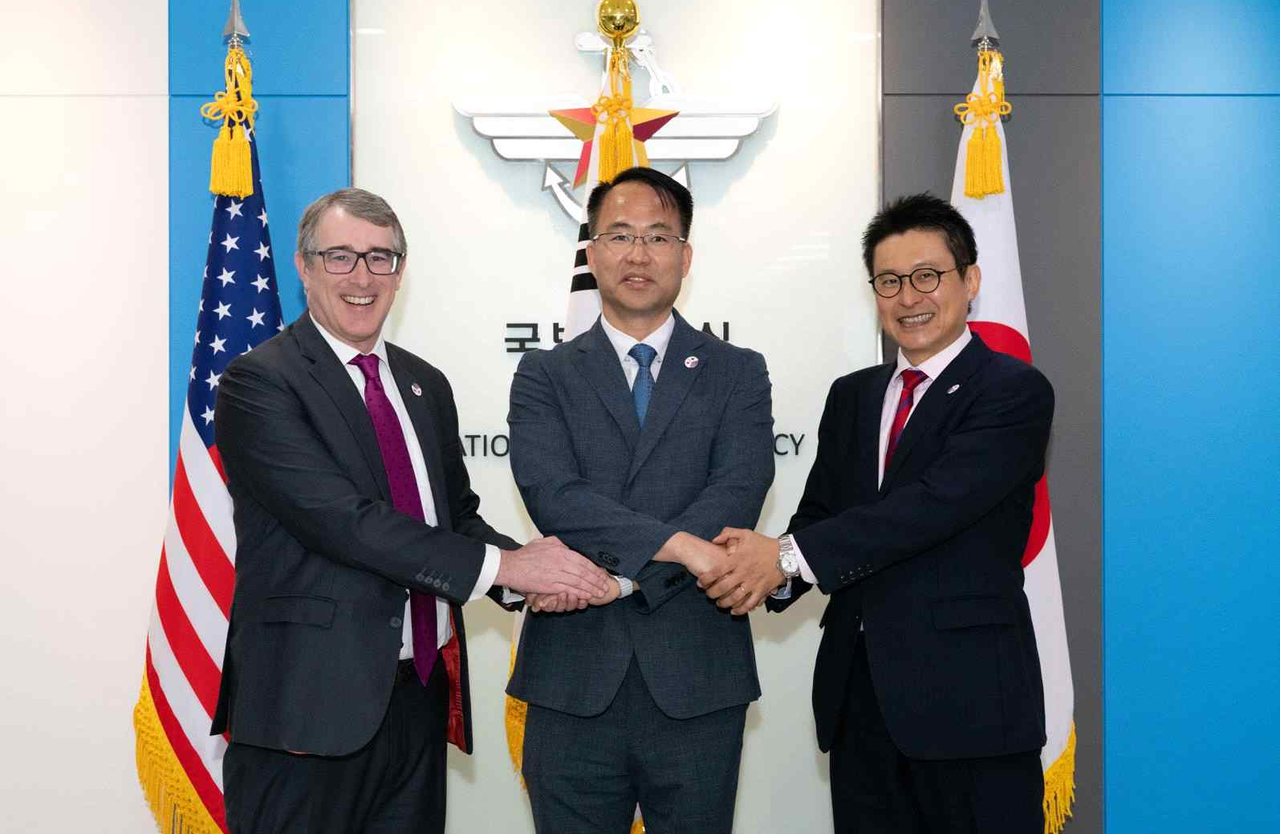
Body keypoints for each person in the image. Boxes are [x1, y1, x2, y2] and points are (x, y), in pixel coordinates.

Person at [211, 188, 610, 834]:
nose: (362, 278)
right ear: (304, 266)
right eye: (339, 257)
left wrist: (534, 582)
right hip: (307, 713)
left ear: (401, 271)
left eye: (382, 258)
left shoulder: (425, 384)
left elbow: (453, 519)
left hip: (417, 699)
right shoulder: (260, 382)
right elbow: (346, 523)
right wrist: (510, 568)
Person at [704, 193, 1052, 833]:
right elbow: (820, 516)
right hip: (861, 700)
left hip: (971, 708)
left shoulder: (1012, 388)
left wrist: (781, 556)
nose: (908, 296)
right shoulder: (853, 396)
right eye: (889, 281)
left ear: (970, 281)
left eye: (928, 276)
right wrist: (763, 569)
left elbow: (931, 507)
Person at [506, 167, 775, 834]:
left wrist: (624, 582)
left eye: (658, 237)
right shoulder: (545, 373)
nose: (637, 253)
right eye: (618, 235)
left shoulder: (738, 371)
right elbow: (554, 495)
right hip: (572, 681)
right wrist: (682, 548)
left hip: (697, 677)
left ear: (686, 256)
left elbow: (739, 488)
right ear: (590, 252)